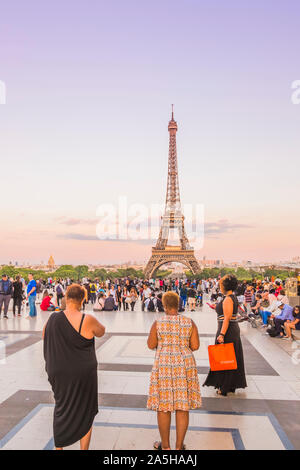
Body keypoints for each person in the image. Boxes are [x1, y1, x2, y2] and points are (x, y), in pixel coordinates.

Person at [43, 284, 105, 450]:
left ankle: (59, 448)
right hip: (83, 373)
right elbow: (101, 331)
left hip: (58, 371)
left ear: (66, 297)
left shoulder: (53, 318)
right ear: (83, 299)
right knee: (86, 410)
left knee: (61, 407)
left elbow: (44, 335)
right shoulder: (87, 319)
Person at [147, 291, 201, 450]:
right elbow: (195, 346)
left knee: (164, 406)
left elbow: (150, 345)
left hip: (164, 364)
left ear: (164, 305)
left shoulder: (158, 323)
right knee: (182, 406)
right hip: (184, 365)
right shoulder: (189, 322)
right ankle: (178, 447)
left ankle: (165, 446)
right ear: (178, 305)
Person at [203, 274, 247, 396]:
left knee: (224, 358)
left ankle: (224, 387)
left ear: (225, 286)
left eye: (221, 285)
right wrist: (216, 308)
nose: (219, 286)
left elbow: (227, 318)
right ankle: (229, 385)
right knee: (230, 357)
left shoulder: (228, 299)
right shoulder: (232, 297)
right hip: (231, 329)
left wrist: (221, 334)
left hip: (227, 330)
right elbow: (229, 314)